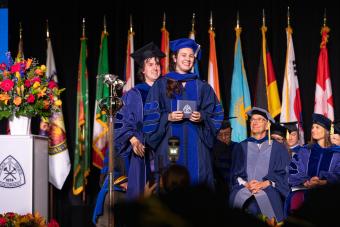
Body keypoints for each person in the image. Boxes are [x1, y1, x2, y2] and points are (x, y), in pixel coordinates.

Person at [92, 42, 165, 226]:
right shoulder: (134, 94)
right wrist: (133, 140)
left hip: (164, 153)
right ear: (143, 69)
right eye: (150, 64)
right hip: (141, 157)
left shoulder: (168, 93)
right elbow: (121, 122)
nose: (155, 66)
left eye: (157, 63)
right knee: (141, 205)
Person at [143, 38, 224, 189]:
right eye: (183, 55)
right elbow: (150, 115)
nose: (188, 59)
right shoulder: (161, 84)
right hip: (170, 144)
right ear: (175, 58)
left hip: (198, 146)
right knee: (171, 185)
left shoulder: (202, 87)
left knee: (198, 186)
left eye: (191, 56)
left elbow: (216, 113)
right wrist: (168, 116)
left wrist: (202, 117)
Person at [229, 107, 290, 223]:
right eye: (252, 120)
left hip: (269, 189)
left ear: (267, 125)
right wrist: (246, 184)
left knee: (271, 204)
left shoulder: (278, 148)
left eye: (259, 119)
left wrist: (266, 183)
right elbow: (234, 174)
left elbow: (285, 175)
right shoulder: (241, 147)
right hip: (245, 188)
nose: (255, 122)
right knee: (238, 201)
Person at [287, 113, 340, 215]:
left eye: (317, 127)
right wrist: (306, 181)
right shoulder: (305, 150)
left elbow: (338, 173)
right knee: (297, 201)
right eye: (312, 127)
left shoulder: (336, 153)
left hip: (329, 194)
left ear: (327, 131)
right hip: (304, 190)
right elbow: (294, 170)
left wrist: (323, 181)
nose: (313, 130)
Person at [212, 116, 237, 200]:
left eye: (226, 134)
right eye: (220, 135)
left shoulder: (238, 148)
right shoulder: (210, 150)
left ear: (231, 131)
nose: (223, 138)